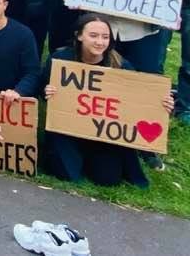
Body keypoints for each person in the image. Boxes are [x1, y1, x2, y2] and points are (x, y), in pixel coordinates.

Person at [41, 13, 174, 187]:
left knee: (108, 179)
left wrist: (161, 105)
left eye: (105, 37)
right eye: (93, 36)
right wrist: (47, 91)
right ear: (79, 35)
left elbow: (138, 102)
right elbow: (41, 87)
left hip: (103, 137)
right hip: (68, 133)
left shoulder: (121, 66)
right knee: (66, 174)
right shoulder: (60, 60)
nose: (99, 42)